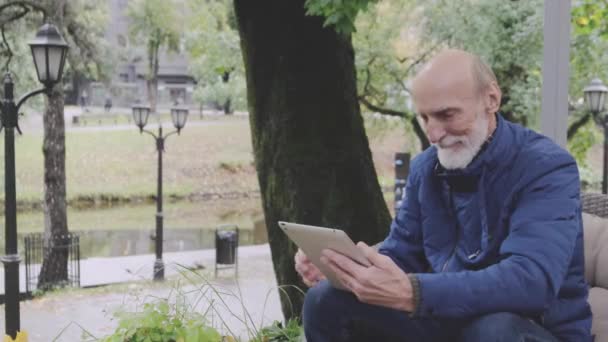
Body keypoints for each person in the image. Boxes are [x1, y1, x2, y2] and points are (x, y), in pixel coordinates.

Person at [297, 49, 592, 342]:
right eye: (425, 118)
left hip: (532, 328)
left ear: (491, 99)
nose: (433, 134)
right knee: (327, 299)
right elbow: (402, 253)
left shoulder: (546, 167)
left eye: (446, 115)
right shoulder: (425, 168)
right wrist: (348, 269)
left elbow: (530, 282)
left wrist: (414, 293)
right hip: (449, 318)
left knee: (493, 330)